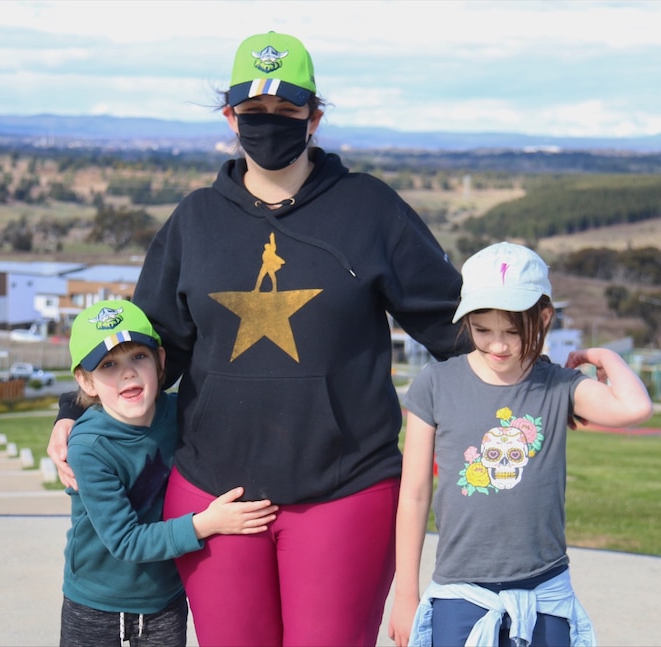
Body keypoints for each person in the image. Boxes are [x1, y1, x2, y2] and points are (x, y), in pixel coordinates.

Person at [48, 31, 469, 647]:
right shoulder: (195, 221)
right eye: (253, 113)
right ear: (230, 117)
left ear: (314, 117)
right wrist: (71, 413)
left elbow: (457, 328)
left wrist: (545, 378)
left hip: (344, 488)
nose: (268, 124)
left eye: (286, 112)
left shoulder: (370, 210)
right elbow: (139, 352)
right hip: (214, 492)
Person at [388, 242, 653, 647]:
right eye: (482, 330)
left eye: (513, 331)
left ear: (544, 318)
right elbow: (415, 494)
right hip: (461, 592)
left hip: (544, 591)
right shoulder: (435, 384)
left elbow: (634, 408)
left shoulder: (559, 385)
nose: (498, 345)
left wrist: (602, 356)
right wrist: (406, 593)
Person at [59, 300, 277, 647]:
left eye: (139, 357)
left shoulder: (182, 414)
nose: (127, 373)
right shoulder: (89, 447)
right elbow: (125, 541)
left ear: (160, 362)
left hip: (163, 598)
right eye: (109, 364)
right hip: (94, 601)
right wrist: (209, 523)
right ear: (86, 381)